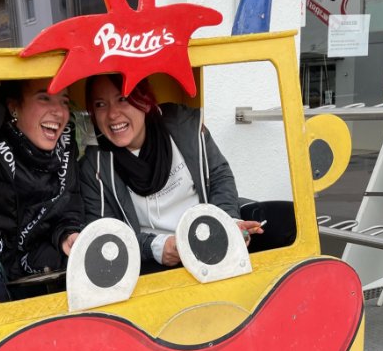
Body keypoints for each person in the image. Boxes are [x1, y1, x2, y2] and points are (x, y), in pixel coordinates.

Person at [78, 74, 295, 270]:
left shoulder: (182, 125)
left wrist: (229, 220)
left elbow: (219, 175)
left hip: (210, 230)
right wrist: (157, 247)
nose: (112, 114)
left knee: (290, 219)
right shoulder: (94, 165)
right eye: (100, 104)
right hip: (157, 256)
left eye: (123, 99)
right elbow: (105, 232)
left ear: (144, 100)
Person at [0, 78, 86, 316]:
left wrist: (68, 235)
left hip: (38, 262)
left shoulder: (65, 145)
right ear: (13, 107)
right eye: (44, 98)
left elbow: (69, 208)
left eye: (64, 101)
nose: (59, 111)